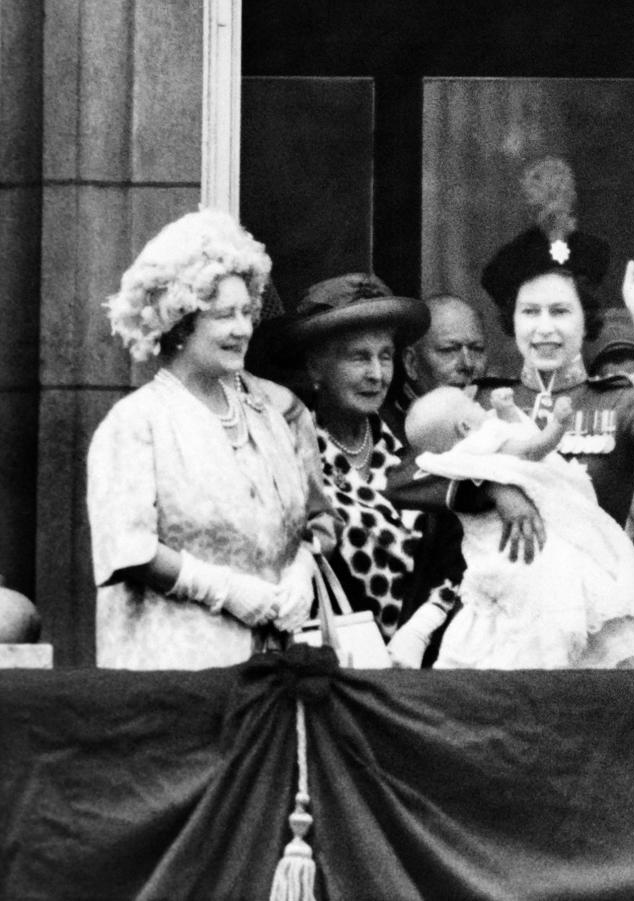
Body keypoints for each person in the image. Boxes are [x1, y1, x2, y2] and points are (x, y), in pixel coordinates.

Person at [87, 209, 334, 669]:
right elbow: (127, 548)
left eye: (246, 312)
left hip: (270, 670)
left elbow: (317, 522)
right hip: (173, 669)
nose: (242, 328)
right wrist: (225, 590)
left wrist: (300, 568)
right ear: (180, 324)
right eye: (224, 316)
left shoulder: (268, 415)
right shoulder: (137, 422)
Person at [473, 157, 634, 528]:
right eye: (530, 312)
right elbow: (412, 476)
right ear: (511, 321)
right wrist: (494, 490)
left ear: (586, 319)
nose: (544, 329)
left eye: (560, 312)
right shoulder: (480, 401)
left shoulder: (621, 402)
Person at [394, 385, 634, 669]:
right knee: (548, 624)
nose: (481, 406)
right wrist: (494, 485)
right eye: (473, 405)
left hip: (519, 560)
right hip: (539, 560)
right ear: (464, 426)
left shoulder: (619, 396)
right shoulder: (480, 438)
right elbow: (401, 480)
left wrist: (507, 412)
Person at [282, 273, 446, 641]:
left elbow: (456, 560)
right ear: (315, 366)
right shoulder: (290, 452)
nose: (377, 374)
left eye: (385, 356)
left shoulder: (415, 443)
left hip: (424, 663)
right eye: (359, 357)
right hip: (335, 667)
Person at [379, 293, 489, 438]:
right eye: (449, 350)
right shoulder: (382, 430)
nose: (467, 364)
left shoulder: (499, 413)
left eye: (477, 349)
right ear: (411, 362)